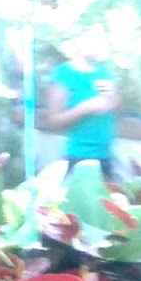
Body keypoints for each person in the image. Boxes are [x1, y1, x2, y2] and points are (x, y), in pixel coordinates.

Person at [41, 28, 120, 180]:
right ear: (78, 42)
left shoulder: (104, 72)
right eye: (91, 39)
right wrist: (86, 108)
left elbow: (116, 113)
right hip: (78, 156)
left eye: (98, 40)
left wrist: (114, 98)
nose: (97, 44)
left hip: (105, 156)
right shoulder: (64, 73)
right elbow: (53, 121)